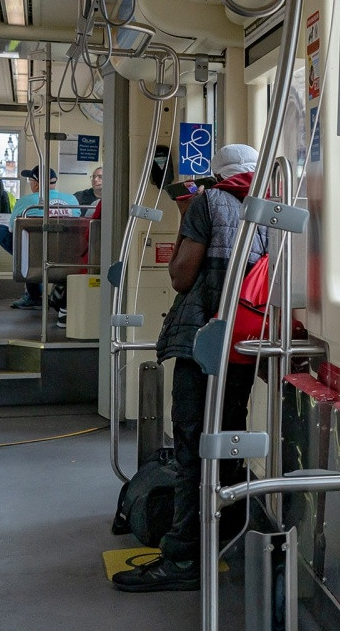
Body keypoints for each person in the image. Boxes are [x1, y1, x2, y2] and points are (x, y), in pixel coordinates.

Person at [113, 144, 267, 593]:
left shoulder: (207, 202)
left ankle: (182, 558)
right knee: (229, 438)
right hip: (244, 340)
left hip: (202, 339)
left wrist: (186, 222)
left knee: (190, 446)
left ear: (218, 174)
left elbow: (182, 275)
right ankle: (227, 535)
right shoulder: (269, 208)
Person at [0, 167, 78, 309]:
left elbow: (12, 230)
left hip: (34, 255)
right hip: (65, 255)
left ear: (36, 183)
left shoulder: (26, 201)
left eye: (30, 180)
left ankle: (34, 296)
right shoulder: (72, 199)